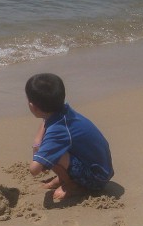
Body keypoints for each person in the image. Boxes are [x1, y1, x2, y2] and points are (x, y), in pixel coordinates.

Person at [25, 73, 113, 201]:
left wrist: (39, 151)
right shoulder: (62, 110)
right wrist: (38, 144)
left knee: (52, 152)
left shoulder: (58, 130)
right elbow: (45, 121)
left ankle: (72, 185)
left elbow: (34, 170)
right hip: (101, 168)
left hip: (97, 179)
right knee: (49, 147)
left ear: (33, 106)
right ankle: (65, 178)